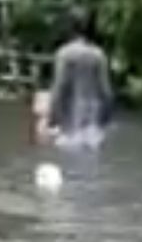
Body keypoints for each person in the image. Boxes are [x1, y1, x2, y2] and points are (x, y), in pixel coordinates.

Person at [46, 8, 114, 148]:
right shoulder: (98, 55)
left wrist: (51, 119)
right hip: (93, 129)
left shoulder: (64, 54)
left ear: (70, 27)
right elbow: (106, 92)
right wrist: (105, 120)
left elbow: (59, 88)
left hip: (70, 128)